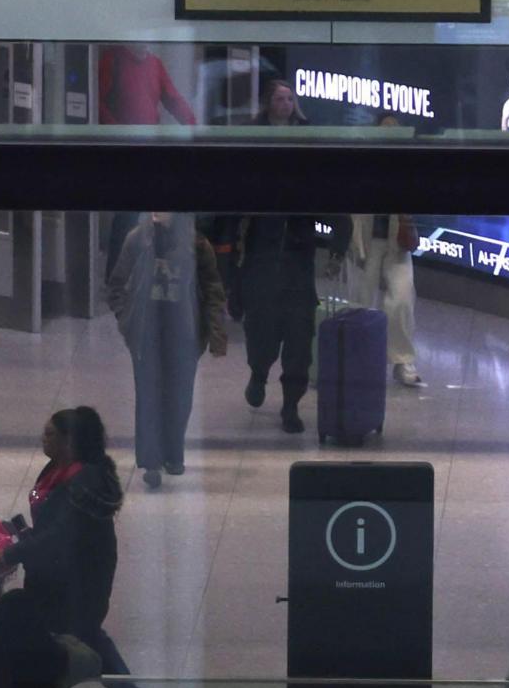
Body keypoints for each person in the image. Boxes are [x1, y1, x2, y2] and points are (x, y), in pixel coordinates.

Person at [8, 404, 149, 688]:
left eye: (50, 434)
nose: (43, 439)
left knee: (74, 636)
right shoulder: (57, 470)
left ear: (69, 440)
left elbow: (60, 534)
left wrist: (13, 552)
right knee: (81, 636)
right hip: (57, 573)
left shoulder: (83, 482)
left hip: (79, 577)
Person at [107, 209, 222, 487]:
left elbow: (212, 290)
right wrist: (128, 322)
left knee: (179, 397)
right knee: (148, 396)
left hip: (184, 334)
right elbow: (116, 284)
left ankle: (173, 453)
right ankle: (151, 460)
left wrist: (214, 332)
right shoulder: (138, 239)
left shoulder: (197, 245)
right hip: (147, 334)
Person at [209, 212, 323, 433]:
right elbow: (231, 226)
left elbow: (337, 220)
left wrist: (337, 248)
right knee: (261, 339)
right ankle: (258, 373)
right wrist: (232, 282)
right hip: (261, 273)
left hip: (299, 279)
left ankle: (290, 405)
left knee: (299, 349)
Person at [345, 210, 426, 389]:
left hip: (397, 235)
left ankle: (402, 360)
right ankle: (355, 359)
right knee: (361, 302)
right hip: (363, 236)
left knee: (402, 298)